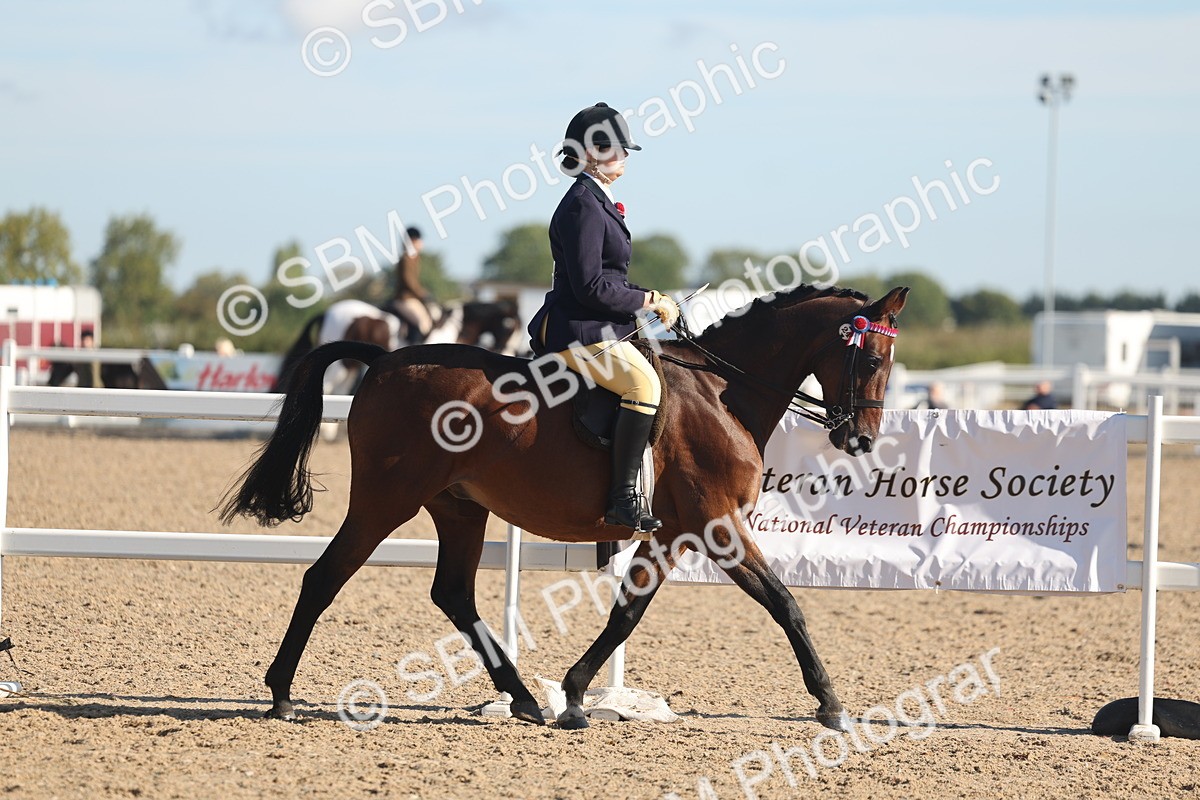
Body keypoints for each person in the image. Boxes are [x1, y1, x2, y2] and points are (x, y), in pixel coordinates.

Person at [526, 102, 680, 533]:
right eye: (618, 149)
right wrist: (646, 299)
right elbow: (590, 286)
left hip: (600, 325)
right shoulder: (582, 206)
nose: (626, 157)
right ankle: (622, 499)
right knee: (643, 385)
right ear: (593, 152)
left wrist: (648, 299)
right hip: (578, 329)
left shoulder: (599, 201)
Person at [389, 226, 437, 344]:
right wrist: (423, 294)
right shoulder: (406, 259)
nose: (421, 244)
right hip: (405, 299)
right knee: (420, 322)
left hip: (413, 298)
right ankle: (412, 351)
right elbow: (409, 282)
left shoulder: (415, 258)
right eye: (419, 241)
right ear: (413, 241)